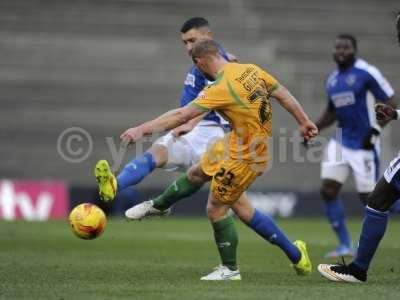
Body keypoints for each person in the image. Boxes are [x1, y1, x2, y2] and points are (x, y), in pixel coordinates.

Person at [122, 40, 317, 280]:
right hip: (235, 140)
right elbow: (283, 94)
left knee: (216, 208)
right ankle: (160, 206)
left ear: (200, 62)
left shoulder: (221, 86)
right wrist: (304, 121)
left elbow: (183, 114)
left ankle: (230, 270)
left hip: (247, 155)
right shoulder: (251, 70)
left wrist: (141, 129)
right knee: (196, 174)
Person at [94, 17, 233, 204]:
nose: (188, 47)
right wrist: (145, 127)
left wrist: (191, 122)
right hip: (192, 128)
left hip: (213, 134)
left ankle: (156, 204)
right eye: (185, 42)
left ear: (208, 36)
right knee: (155, 153)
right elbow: (184, 110)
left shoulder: (216, 63)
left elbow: (215, 98)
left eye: (192, 41)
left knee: (233, 208)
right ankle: (114, 185)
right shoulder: (205, 61)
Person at [317, 13, 400, 283]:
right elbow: (331, 111)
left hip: (364, 144)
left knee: (372, 199)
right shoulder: (332, 79)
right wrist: (313, 128)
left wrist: (376, 130)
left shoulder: (366, 72)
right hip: (341, 141)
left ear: (354, 50)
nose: (341, 51)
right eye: (337, 47)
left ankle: (358, 265)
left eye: (346, 47)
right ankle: (345, 246)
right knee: (329, 190)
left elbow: (388, 97)